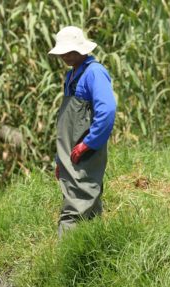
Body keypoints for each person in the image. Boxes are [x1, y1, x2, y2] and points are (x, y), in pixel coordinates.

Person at [49, 26, 117, 237]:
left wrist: (89, 143)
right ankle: (92, 249)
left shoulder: (94, 72)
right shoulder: (72, 76)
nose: (66, 57)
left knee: (76, 206)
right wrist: (60, 160)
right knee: (84, 204)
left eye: (70, 52)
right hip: (70, 152)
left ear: (82, 49)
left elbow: (107, 111)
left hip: (85, 150)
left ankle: (65, 260)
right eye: (63, 53)